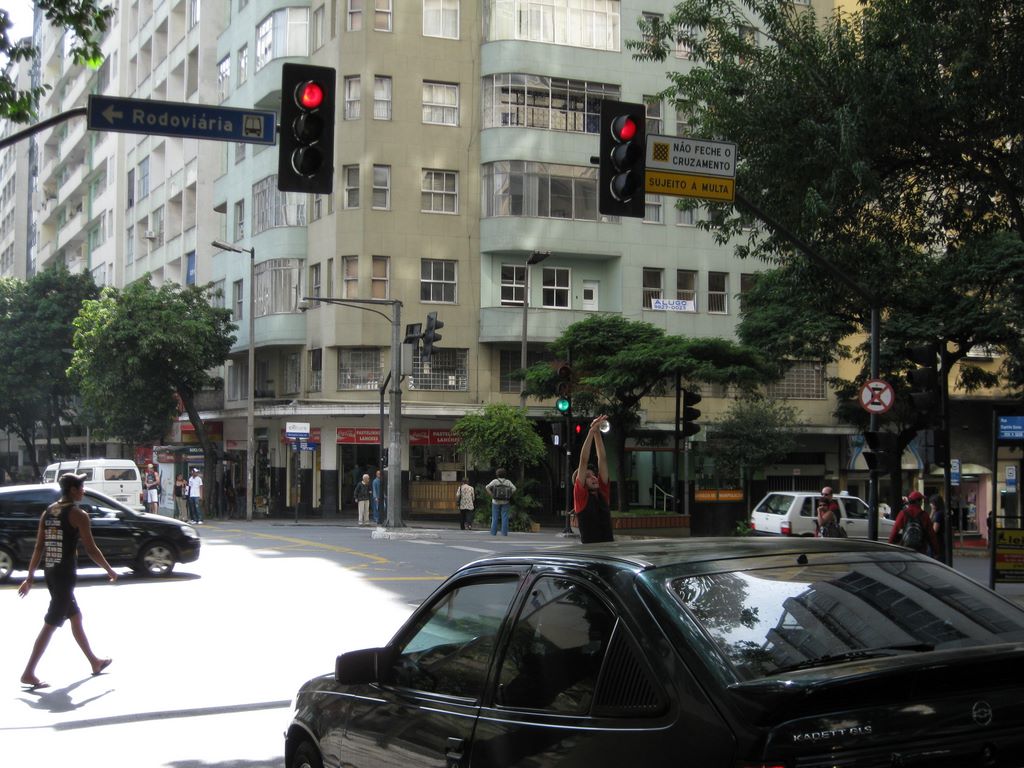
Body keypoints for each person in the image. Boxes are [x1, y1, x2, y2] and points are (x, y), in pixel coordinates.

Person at [18, 472, 117, 689]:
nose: (83, 491)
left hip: (51, 571)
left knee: (75, 616)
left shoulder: (49, 511)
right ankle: (28, 672)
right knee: (51, 623)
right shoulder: (78, 515)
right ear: (73, 490)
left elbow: (39, 547)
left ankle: (94, 661)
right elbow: (91, 549)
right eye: (81, 487)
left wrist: (30, 577)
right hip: (64, 574)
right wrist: (110, 570)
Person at [573, 415, 614, 544]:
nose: (593, 477)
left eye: (593, 474)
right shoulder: (581, 497)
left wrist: (597, 432)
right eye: (587, 476)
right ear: (581, 485)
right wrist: (591, 431)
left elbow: (602, 459)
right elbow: (583, 460)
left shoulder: (603, 493)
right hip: (590, 551)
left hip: (609, 549)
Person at [888, 490, 939, 555]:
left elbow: (895, 531)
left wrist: (889, 545)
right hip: (920, 551)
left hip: (905, 550)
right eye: (921, 501)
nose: (921, 502)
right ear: (917, 502)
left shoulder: (903, 513)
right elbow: (931, 535)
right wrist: (936, 551)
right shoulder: (924, 515)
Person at [486, 468, 516, 536]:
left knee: (494, 517)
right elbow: (514, 488)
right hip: (505, 501)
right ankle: (504, 533)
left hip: (495, 501)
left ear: (497, 474)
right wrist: (509, 494)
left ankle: (493, 533)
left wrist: (492, 494)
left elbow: (487, 487)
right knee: (505, 517)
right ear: (505, 474)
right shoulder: (508, 481)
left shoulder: (495, 481)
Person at [929, 493, 947, 561]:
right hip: (941, 540)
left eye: (932, 503)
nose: (930, 505)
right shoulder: (940, 512)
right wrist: (932, 511)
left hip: (937, 541)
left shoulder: (938, 514)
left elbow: (935, 530)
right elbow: (929, 521)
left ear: (935, 504)